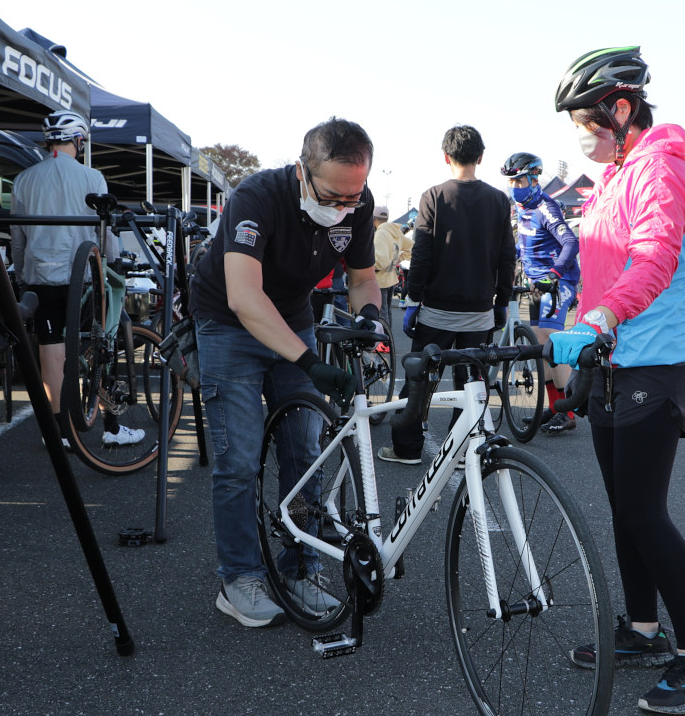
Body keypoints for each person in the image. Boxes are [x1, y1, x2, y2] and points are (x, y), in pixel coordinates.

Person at [549, 47, 685, 714]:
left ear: (620, 109)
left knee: (643, 513)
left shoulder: (659, 170)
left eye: (583, 120)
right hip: (612, 359)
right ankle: (643, 630)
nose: (578, 134)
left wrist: (606, 313)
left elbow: (654, 258)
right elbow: (597, 270)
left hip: (655, 359)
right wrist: (580, 332)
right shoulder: (617, 173)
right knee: (624, 511)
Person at [189, 117, 383, 628]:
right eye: (334, 196)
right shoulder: (256, 198)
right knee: (239, 458)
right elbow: (244, 298)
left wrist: (370, 317)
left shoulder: (355, 203)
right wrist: (309, 362)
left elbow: (363, 278)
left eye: (354, 197)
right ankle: (239, 578)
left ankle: (300, 568)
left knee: (305, 451)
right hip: (229, 321)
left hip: (293, 316)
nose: (344, 207)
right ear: (302, 172)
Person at [378, 125, 515, 465]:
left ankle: (406, 448)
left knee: (420, 379)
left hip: (437, 308)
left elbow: (422, 254)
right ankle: (460, 450)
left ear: (446, 157)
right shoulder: (499, 200)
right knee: (472, 383)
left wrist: (412, 299)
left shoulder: (434, 196)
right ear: (480, 157)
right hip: (480, 310)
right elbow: (506, 256)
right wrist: (502, 302)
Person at [11, 109, 144, 448]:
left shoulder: (24, 179)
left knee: (50, 350)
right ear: (78, 140)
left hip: (40, 276)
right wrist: (114, 260)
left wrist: (21, 272)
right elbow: (104, 230)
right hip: (81, 275)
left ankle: (57, 432)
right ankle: (111, 427)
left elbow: (17, 238)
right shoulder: (91, 177)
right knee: (105, 340)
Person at [500, 152, 581, 434]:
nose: (515, 186)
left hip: (557, 283)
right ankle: (555, 407)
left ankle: (568, 411)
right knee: (540, 344)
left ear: (535, 179)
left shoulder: (546, 208)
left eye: (520, 180)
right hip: (536, 285)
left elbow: (571, 242)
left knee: (550, 339)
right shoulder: (521, 209)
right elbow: (520, 248)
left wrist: (554, 274)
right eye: (512, 182)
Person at [373, 205, 410, 325]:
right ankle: (388, 340)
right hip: (391, 278)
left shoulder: (381, 233)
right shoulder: (394, 231)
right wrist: (398, 259)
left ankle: (383, 340)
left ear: (373, 218)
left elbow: (380, 262)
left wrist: (367, 266)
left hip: (380, 279)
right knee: (387, 312)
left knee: (381, 314)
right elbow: (414, 247)